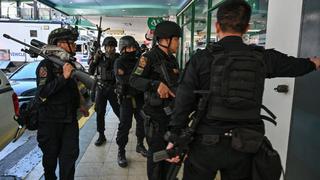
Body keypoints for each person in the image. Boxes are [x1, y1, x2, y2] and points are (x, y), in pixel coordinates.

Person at [166, 1, 320, 180]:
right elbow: (295, 66)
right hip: (245, 145)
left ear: (217, 26)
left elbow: (184, 101)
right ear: (247, 27)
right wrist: (313, 63)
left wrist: (174, 137)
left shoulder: (201, 59)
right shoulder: (262, 57)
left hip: (205, 144)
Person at [130, 21, 182, 180]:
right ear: (166, 40)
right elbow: (133, 80)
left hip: (170, 115)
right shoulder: (148, 57)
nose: (178, 43)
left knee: (169, 153)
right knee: (157, 155)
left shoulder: (172, 59)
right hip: (155, 117)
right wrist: (154, 84)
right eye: (176, 39)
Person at [36, 27, 89, 180]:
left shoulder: (69, 63)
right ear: (58, 44)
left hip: (69, 120)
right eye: (70, 42)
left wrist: (81, 103)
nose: (74, 45)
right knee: (50, 161)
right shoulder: (46, 66)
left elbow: (74, 87)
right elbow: (42, 93)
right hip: (50, 122)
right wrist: (62, 78)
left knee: (69, 159)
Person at [114, 35, 148, 167]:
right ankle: (121, 151)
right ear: (123, 49)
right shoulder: (118, 62)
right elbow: (124, 80)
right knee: (124, 126)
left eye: (133, 47)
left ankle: (140, 145)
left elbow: (143, 76)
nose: (132, 49)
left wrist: (134, 77)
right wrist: (136, 77)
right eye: (129, 47)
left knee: (142, 122)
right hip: (126, 99)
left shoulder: (138, 60)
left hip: (139, 98)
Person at [89, 36, 120, 146]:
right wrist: (95, 60)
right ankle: (101, 135)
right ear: (105, 47)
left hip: (113, 88)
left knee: (120, 112)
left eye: (112, 47)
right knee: (100, 113)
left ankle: (122, 132)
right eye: (108, 47)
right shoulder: (99, 58)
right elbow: (91, 71)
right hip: (101, 88)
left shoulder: (118, 58)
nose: (110, 49)